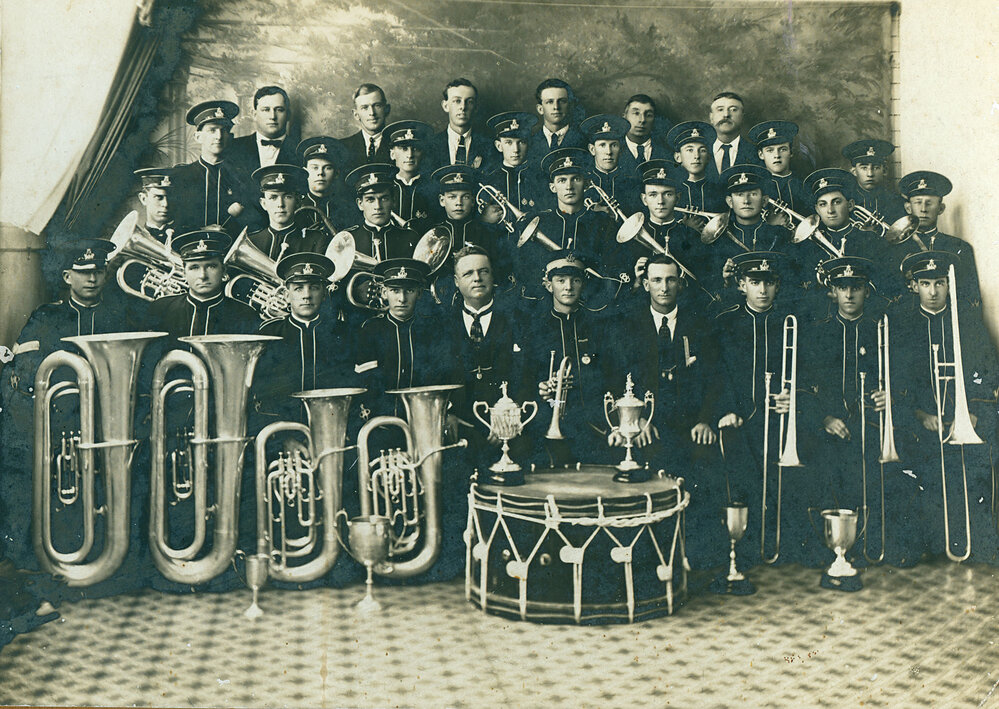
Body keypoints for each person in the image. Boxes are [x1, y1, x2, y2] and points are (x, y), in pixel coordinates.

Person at [0, 238, 147, 594]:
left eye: (97, 271)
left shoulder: (123, 314)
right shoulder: (47, 317)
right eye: (83, 273)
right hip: (63, 424)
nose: (92, 279)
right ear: (67, 276)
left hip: (110, 424)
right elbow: (26, 366)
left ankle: (116, 562)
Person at [608, 255, 724, 564]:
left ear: (680, 284)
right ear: (645, 284)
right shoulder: (626, 324)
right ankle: (651, 557)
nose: (664, 287)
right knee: (649, 467)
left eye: (670, 280)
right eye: (657, 280)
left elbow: (715, 378)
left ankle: (698, 556)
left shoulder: (700, 323)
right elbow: (616, 378)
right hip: (648, 427)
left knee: (706, 463)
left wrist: (705, 421)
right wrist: (637, 421)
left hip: (690, 425)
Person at [890, 251, 999, 566]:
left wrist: (973, 412)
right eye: (926, 283)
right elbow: (898, 381)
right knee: (923, 470)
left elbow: (988, 371)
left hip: (966, 419)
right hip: (921, 422)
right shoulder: (904, 325)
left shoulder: (967, 320)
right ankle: (928, 540)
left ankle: (976, 540)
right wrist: (921, 415)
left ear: (949, 284)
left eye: (940, 283)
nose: (934, 291)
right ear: (915, 286)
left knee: (976, 466)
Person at [801, 256, 893, 568]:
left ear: (867, 291)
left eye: (856, 287)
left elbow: (904, 378)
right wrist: (824, 419)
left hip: (872, 424)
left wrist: (889, 396)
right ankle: (831, 547)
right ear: (833, 292)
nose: (850, 295)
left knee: (872, 469)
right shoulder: (818, 333)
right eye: (843, 287)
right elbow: (804, 385)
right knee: (823, 464)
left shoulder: (882, 331)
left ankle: (869, 544)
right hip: (827, 427)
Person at [713, 251, 800, 566]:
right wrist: (726, 409)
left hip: (781, 420)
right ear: (741, 285)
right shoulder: (725, 322)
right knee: (742, 478)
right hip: (741, 420)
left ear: (777, 286)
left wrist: (795, 398)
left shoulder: (793, 322)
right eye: (754, 282)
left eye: (768, 283)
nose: (762, 290)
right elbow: (716, 374)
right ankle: (745, 548)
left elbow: (809, 373)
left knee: (785, 483)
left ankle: (786, 545)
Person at [521, 250, 613, 468]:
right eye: (561, 280)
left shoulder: (599, 325)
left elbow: (610, 376)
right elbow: (524, 379)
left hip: (593, 425)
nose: (568, 287)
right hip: (547, 424)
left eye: (575, 280)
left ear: (583, 285)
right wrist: (542, 389)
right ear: (548, 284)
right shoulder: (535, 328)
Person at [444, 246, 524, 472]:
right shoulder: (440, 324)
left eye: (484, 271)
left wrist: (509, 422)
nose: (477, 278)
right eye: (468, 273)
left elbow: (527, 375)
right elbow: (432, 375)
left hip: (511, 433)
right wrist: (446, 413)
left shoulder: (518, 319)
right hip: (459, 432)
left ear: (493, 276)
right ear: (456, 281)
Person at [516, 148, 621, 303]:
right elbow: (530, 269)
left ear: (585, 184)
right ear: (553, 187)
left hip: (592, 302)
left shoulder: (602, 223)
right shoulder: (540, 223)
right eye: (562, 180)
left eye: (576, 179)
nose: (569, 187)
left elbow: (610, 267)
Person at [623, 159, 716, 310]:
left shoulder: (692, 237)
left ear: (677, 198)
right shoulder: (631, 239)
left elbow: (703, 285)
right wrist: (636, 283)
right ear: (644, 199)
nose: (660, 201)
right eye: (653, 194)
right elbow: (624, 297)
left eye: (667, 194)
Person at [892, 171, 982, 313]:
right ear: (908, 208)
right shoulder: (894, 249)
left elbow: (971, 299)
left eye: (929, 203)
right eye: (918, 202)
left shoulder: (959, 248)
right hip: (908, 324)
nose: (923, 209)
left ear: (941, 208)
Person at [148, 228, 260, 339]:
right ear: (184, 272)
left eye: (211, 266)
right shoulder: (161, 309)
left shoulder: (245, 315)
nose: (203, 276)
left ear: (224, 270)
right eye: (194, 267)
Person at [171, 100, 257, 235]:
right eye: (212, 130)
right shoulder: (181, 176)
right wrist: (201, 231)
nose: (219, 136)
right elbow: (172, 223)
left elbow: (255, 224)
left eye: (224, 130)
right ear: (198, 137)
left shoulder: (243, 177)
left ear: (231, 136)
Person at [247, 164, 329, 261]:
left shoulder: (316, 240)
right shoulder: (251, 242)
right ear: (263, 204)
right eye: (273, 197)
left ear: (298, 202)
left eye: (287, 197)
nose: (280, 204)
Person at [341, 163, 420, 263]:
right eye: (370, 200)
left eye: (384, 199)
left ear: (393, 201)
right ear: (360, 204)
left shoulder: (410, 238)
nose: (378, 206)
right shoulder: (348, 239)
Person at [480, 111, 546, 219]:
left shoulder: (541, 177)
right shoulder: (489, 180)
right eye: (509, 143)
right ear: (498, 146)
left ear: (529, 144)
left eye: (521, 142)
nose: (516, 150)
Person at [747, 120, 813, 224]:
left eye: (782, 149)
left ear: (791, 152)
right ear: (761, 155)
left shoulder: (805, 184)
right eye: (770, 150)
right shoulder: (755, 187)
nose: (777, 155)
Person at [666, 120, 726, 231]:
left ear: (708, 157)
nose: (696, 156)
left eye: (702, 150)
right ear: (678, 157)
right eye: (689, 150)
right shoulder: (670, 191)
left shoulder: (720, 190)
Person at [580, 113, 642, 216]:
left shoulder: (632, 183)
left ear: (620, 149)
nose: (609, 152)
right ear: (592, 149)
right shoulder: (582, 182)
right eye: (602, 145)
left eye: (614, 145)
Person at [427, 78, 493, 172]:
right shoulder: (430, 146)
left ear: (476, 108)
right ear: (446, 106)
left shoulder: (488, 145)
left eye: (469, 102)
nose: (463, 107)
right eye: (457, 101)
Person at [385, 120, 439, 231]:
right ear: (392, 154)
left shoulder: (433, 188)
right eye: (404, 149)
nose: (410, 155)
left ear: (422, 154)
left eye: (416, 149)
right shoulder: (385, 186)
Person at [228, 86, 297, 173]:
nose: (272, 116)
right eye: (266, 110)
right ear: (254, 114)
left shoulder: (299, 152)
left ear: (288, 115)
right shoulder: (233, 148)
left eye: (279, 110)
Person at [841, 138, 906, 227]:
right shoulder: (844, 201)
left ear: (885, 171)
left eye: (876, 167)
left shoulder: (896, 201)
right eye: (864, 168)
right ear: (854, 171)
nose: (870, 174)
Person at [297, 136, 352, 231]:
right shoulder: (296, 207)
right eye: (315, 168)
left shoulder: (347, 209)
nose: (320, 173)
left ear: (336, 173)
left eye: (327, 168)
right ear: (305, 173)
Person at [705, 91, 761, 181]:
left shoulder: (756, 153)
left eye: (733, 110)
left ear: (742, 116)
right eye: (720, 109)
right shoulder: (699, 151)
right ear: (711, 117)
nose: (726, 115)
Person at [529, 78, 586, 159]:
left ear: (570, 106)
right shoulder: (529, 142)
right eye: (550, 102)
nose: (556, 107)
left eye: (562, 101)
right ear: (540, 109)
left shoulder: (584, 141)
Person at [341, 83, 392, 170]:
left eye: (377, 106)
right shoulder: (343, 147)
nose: (372, 113)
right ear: (356, 114)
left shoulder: (400, 146)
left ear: (387, 109)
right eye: (365, 108)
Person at [618, 94, 670, 176]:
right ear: (625, 116)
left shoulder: (666, 152)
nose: (642, 120)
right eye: (636, 113)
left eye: (648, 115)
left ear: (654, 119)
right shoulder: (613, 150)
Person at [134, 168, 177, 245]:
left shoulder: (186, 237)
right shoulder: (136, 240)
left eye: (170, 198)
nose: (166, 204)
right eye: (159, 197)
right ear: (143, 199)